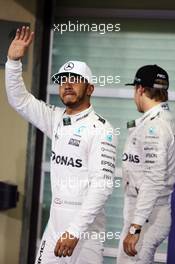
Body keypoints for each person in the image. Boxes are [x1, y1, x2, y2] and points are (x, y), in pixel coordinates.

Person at [5, 26, 117, 264]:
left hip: (85, 232)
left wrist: (75, 230)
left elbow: (103, 186)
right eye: (63, 80)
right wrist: (13, 62)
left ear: (90, 88)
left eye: (76, 80)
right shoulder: (55, 117)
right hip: (55, 223)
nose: (67, 84)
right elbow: (20, 100)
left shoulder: (102, 129)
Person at [117, 64, 175, 264]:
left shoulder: (156, 126)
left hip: (148, 216)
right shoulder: (162, 120)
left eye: (134, 89)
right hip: (148, 213)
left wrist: (135, 227)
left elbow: (153, 179)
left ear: (140, 89)